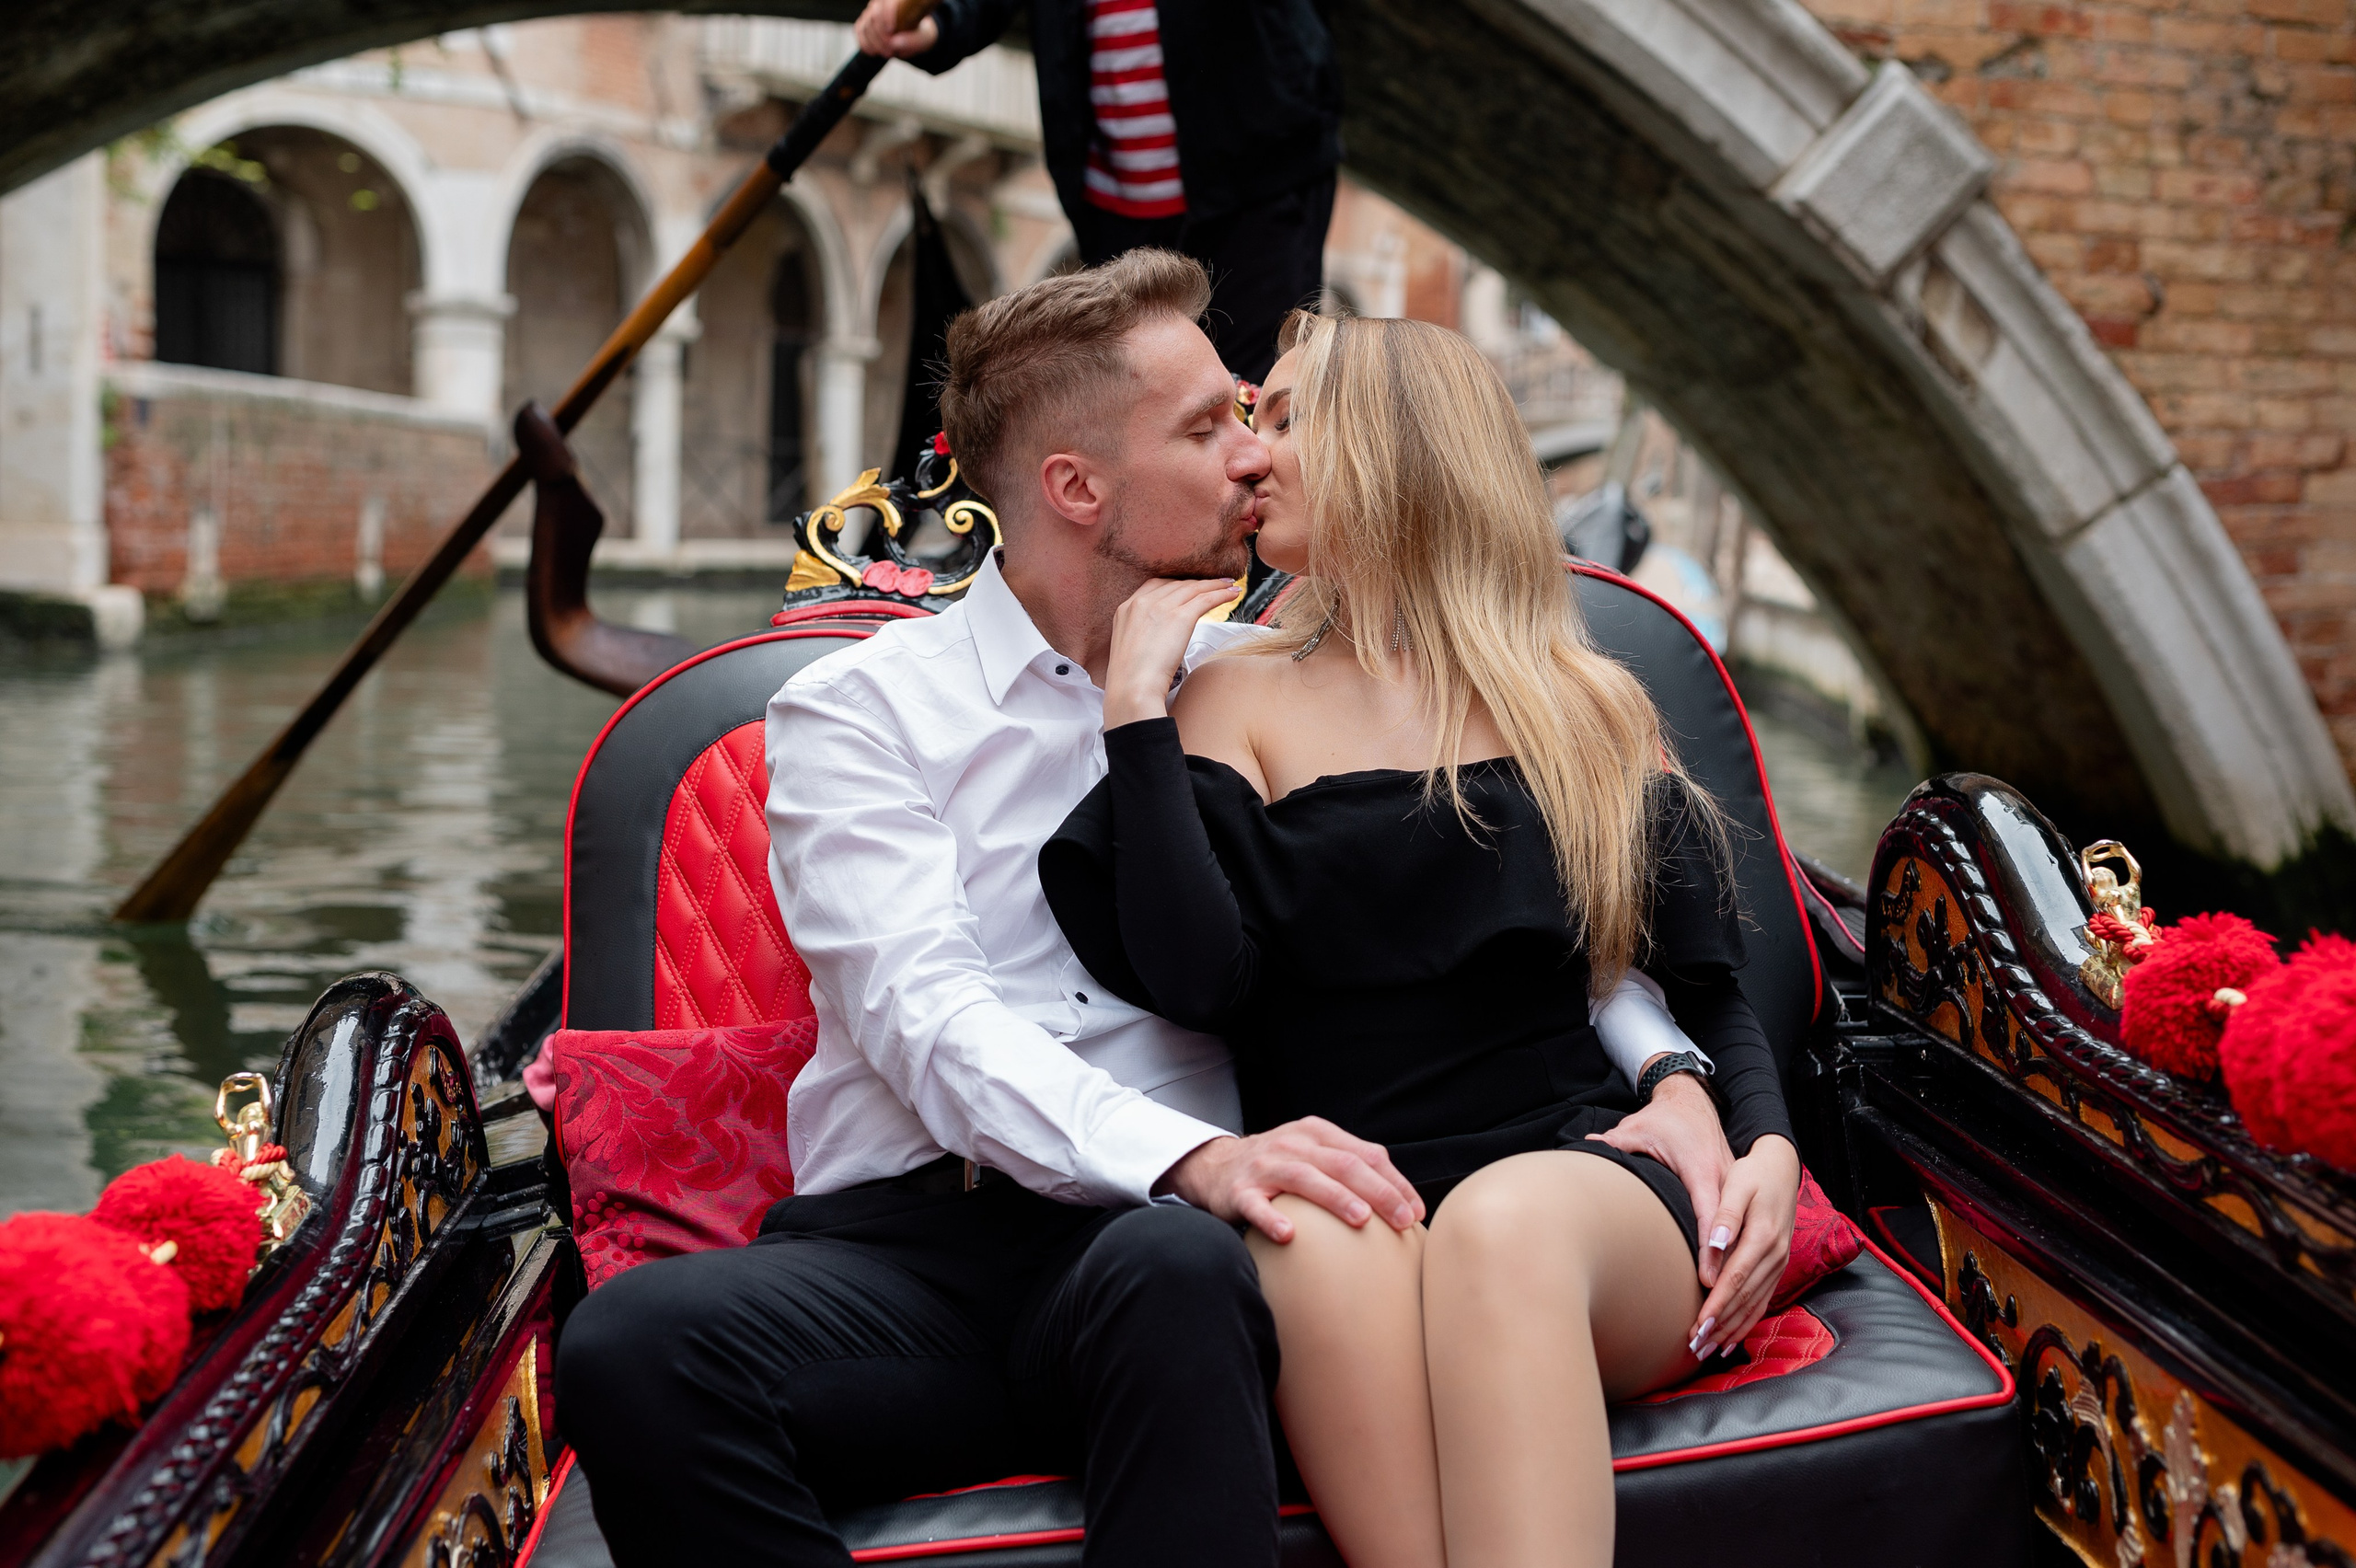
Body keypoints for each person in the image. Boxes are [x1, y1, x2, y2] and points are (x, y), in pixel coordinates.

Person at [556, 253, 1735, 1566]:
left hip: (1158, 1259)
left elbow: (1522, 898)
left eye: (1255, 417)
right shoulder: (859, 711)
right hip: (914, 1254)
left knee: (1177, 1272)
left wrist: (1676, 1073)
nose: (1253, 455)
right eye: (1210, 425)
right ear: (1077, 488)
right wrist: (1192, 1158)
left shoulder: (1266, 684)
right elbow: (924, 1017)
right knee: (628, 1347)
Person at [1038, 310, 1802, 1568]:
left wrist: (1765, 1144)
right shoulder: (1229, 696)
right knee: (1311, 1228)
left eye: (1287, 419)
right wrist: (1136, 709)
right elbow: (1197, 978)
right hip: (1356, 1191)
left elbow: (1708, 984)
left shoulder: (1583, 706)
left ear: (1397, 449)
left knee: (1505, 1226)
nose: (1251, 455)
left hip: (1581, 1188)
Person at [853, 0, 1339, 384]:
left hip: (1261, 186)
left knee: (1262, 393)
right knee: (1142, 402)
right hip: (1116, 206)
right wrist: (936, 24)